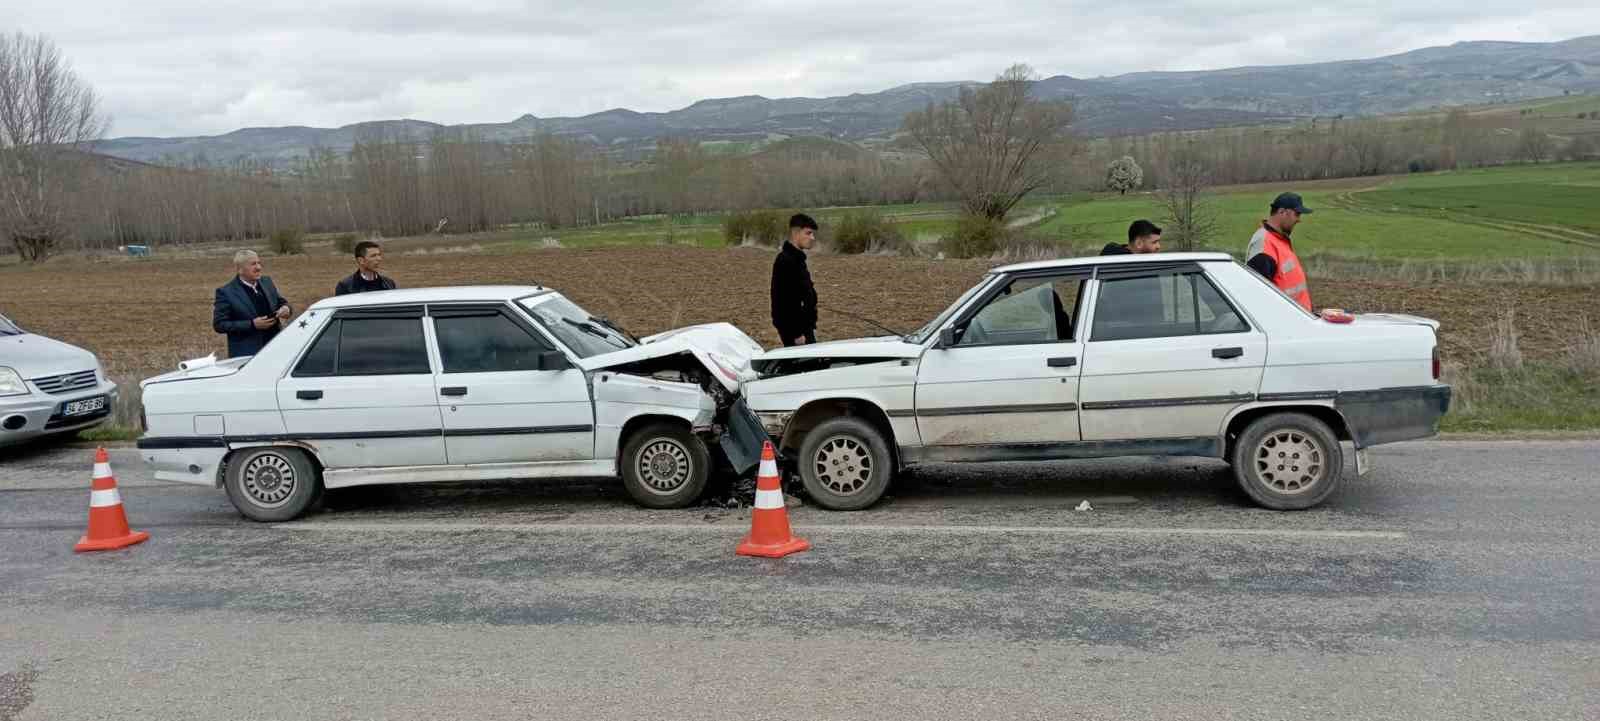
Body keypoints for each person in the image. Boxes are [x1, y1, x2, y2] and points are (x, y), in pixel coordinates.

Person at [213, 250, 292, 358]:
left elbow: (280, 302)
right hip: (247, 356)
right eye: (253, 264)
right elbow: (219, 325)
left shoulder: (267, 282)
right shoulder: (226, 292)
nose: (259, 267)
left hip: (276, 349)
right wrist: (252, 324)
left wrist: (286, 309)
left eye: (259, 263)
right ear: (240, 270)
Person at [1246, 192, 1314, 311]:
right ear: (1282, 212)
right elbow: (1259, 299)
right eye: (1297, 214)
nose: (1299, 220)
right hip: (1286, 323)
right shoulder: (1264, 245)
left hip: (1299, 319)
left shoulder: (1278, 239)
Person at [771, 213, 819, 346]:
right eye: (808, 233)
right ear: (796, 233)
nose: (812, 238)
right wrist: (796, 334)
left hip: (805, 327)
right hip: (796, 333)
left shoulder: (798, 259)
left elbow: (803, 292)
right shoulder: (785, 261)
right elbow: (783, 301)